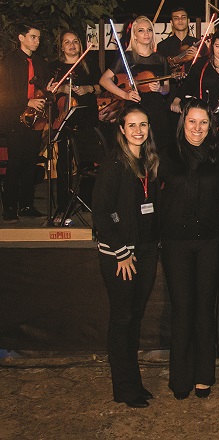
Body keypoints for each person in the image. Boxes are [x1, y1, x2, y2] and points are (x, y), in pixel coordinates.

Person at [92, 103, 160, 408]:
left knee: (134, 318)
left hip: (145, 251)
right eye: (132, 125)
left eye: (143, 125)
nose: (138, 131)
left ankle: (133, 382)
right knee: (122, 319)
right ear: (121, 129)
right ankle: (123, 387)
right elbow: (102, 214)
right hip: (121, 254)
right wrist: (121, 253)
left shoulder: (147, 161)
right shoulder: (113, 164)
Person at [159, 99, 219, 400]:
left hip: (210, 242)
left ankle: (204, 375)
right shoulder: (166, 153)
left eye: (203, 122)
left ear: (210, 125)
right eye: (191, 122)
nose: (197, 128)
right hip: (175, 243)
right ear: (182, 123)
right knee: (182, 310)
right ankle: (181, 377)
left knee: (204, 310)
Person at [48, 30, 102, 219]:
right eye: (67, 42)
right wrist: (63, 87)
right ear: (61, 46)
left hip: (87, 116)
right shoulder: (55, 67)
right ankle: (63, 203)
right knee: (63, 161)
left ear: (80, 45)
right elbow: (51, 89)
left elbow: (101, 86)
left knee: (87, 162)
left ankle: (86, 200)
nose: (71, 45)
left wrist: (89, 88)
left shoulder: (89, 65)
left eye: (75, 42)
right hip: (65, 119)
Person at [99, 15, 173, 152]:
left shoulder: (161, 59)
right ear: (134, 34)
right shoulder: (127, 57)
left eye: (149, 30)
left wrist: (160, 88)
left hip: (156, 110)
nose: (146, 33)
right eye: (141, 30)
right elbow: (104, 80)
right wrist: (125, 95)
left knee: (158, 150)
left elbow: (167, 88)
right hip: (135, 107)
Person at [0, 22, 50, 221]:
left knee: (30, 162)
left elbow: (43, 89)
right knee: (15, 162)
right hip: (14, 118)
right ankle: (10, 208)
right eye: (33, 37)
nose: (37, 41)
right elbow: (4, 92)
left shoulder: (40, 62)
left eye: (38, 38)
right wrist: (26, 100)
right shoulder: (9, 61)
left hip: (34, 119)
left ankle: (27, 205)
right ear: (21, 38)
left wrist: (48, 90)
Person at [174, 29, 219, 152]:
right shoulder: (202, 64)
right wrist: (176, 100)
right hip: (206, 115)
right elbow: (188, 84)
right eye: (217, 46)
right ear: (212, 46)